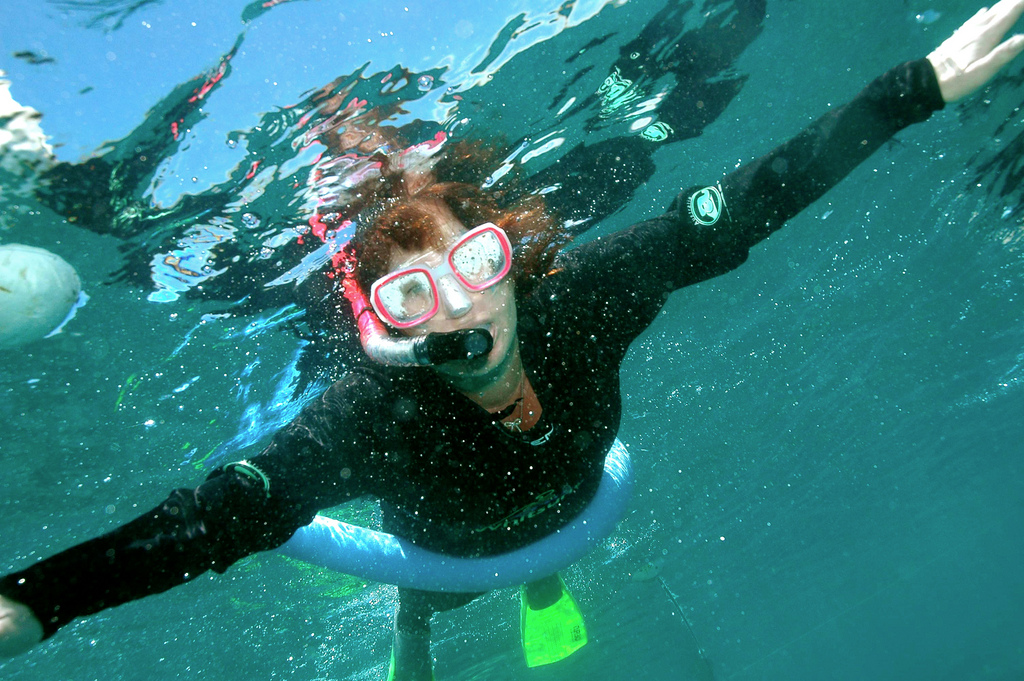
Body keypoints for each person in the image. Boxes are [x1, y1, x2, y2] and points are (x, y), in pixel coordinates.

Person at [2, 2, 1024, 679]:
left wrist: (914, 87)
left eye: (475, 263)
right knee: (430, 596)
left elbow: (747, 204)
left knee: (546, 553)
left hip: (576, 499)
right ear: (381, 320)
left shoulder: (581, 299)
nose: (459, 308)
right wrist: (35, 602)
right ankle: (413, 627)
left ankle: (543, 581)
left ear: (514, 257)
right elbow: (223, 515)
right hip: (437, 552)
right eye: (412, 292)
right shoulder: (372, 415)